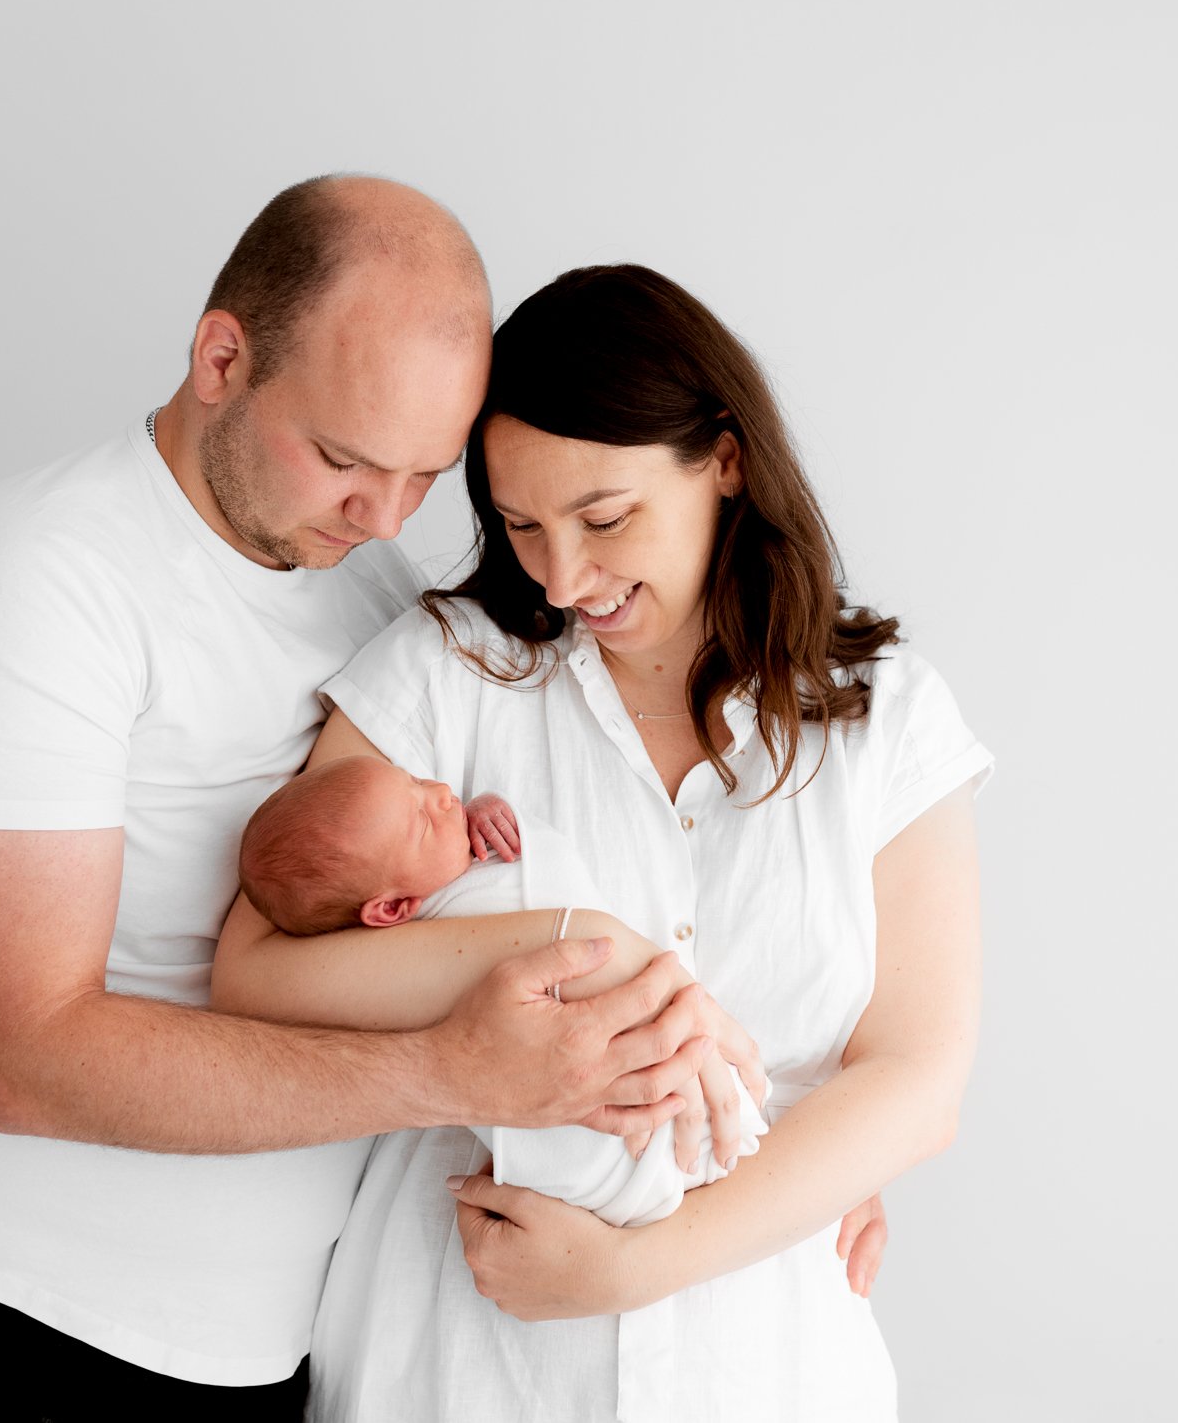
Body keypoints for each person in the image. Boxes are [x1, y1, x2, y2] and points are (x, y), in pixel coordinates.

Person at [0, 177, 750, 1418]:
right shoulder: (38, 578)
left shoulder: (374, 597)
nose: (381, 516)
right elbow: (25, 1056)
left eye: (426, 477)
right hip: (62, 1336)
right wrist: (455, 1071)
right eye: (342, 458)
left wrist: (774, 1153)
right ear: (222, 356)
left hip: (308, 1346)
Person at [209, 263, 990, 1420]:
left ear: (723, 459)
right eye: (522, 524)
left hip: (762, 1363)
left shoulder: (884, 717)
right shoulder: (447, 669)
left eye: (604, 517)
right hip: (461, 1360)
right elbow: (256, 971)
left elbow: (916, 1081)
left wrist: (633, 1269)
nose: (564, 576)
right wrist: (567, 938)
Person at [236, 754, 767, 1224]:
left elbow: (518, 854)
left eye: (418, 780)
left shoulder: (453, 847)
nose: (443, 794)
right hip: (589, 1122)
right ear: (394, 909)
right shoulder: (407, 957)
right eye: (423, 820)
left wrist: (484, 809)